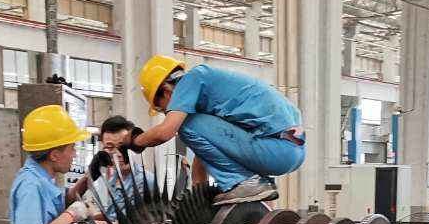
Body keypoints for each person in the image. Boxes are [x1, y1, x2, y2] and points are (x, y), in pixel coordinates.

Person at [127, 55, 305, 205]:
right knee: (191, 126)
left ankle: (242, 182)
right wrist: (199, 198)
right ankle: (251, 184)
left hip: (273, 148)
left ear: (167, 91)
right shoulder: (210, 90)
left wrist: (134, 140)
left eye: (162, 109)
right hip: (290, 151)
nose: (168, 112)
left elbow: (165, 133)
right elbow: (204, 154)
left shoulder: (191, 80)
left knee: (186, 124)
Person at [88, 115, 147, 217]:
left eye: (123, 146)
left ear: (133, 146)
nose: (118, 153)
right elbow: (114, 216)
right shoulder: (113, 179)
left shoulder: (144, 181)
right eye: (110, 147)